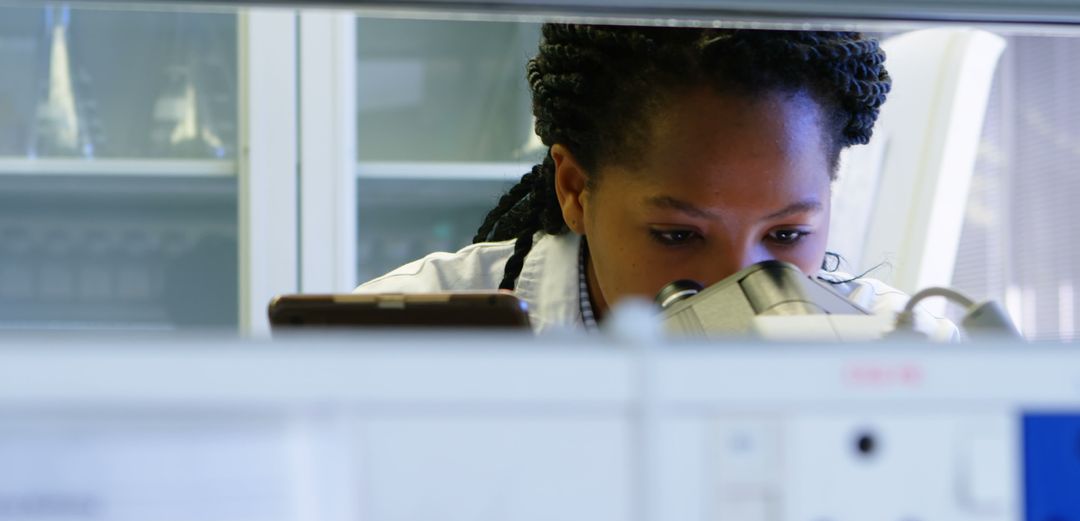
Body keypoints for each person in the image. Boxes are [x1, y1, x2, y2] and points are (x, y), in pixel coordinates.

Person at [356, 24, 956, 340]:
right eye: (678, 236)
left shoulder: (909, 351)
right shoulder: (402, 339)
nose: (739, 286)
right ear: (574, 189)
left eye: (786, 235)